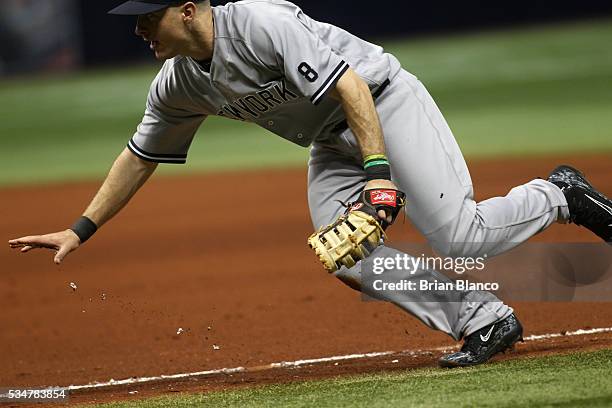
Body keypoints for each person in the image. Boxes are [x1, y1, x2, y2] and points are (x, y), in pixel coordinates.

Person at [9, 0, 612, 368]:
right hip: (329, 139)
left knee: (459, 236)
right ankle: (483, 319)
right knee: (343, 250)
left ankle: (560, 193)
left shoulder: (263, 24)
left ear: (187, 8)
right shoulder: (177, 84)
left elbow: (349, 86)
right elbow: (139, 155)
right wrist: (80, 227)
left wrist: (379, 177)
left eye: (148, 16)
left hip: (382, 103)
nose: (140, 29)